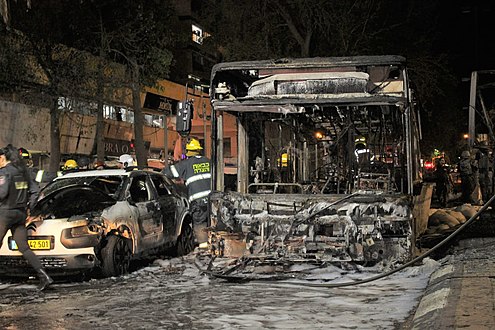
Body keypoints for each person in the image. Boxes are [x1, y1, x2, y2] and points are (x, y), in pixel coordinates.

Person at [0, 144, 53, 291]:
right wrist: (29, 207)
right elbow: (35, 191)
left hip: (5, 214)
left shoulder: (5, 172)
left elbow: (2, 193)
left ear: (5, 158)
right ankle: (44, 276)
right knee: (24, 247)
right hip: (20, 214)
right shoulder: (24, 172)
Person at [162, 138, 211, 245]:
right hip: (212, 201)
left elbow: (167, 172)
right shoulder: (208, 161)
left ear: (188, 152)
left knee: (200, 225)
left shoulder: (187, 164)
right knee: (211, 224)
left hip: (198, 202)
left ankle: (204, 250)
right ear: (199, 150)